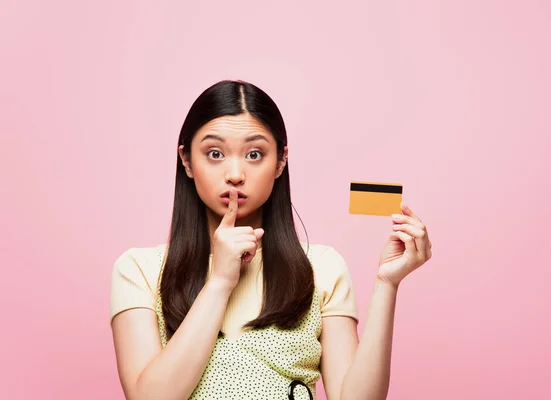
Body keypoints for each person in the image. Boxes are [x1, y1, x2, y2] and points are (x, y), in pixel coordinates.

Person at [110, 80, 433, 400]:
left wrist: (387, 283)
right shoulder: (140, 269)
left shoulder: (320, 267)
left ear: (280, 161)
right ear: (186, 160)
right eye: (214, 153)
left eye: (254, 154)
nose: (235, 173)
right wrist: (220, 281)